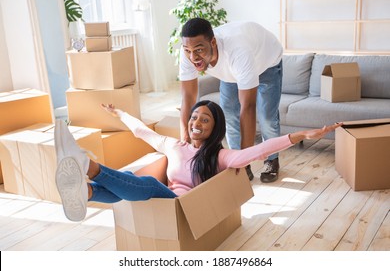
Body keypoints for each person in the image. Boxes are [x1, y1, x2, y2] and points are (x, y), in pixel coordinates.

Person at [55, 100, 341, 222]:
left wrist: (301, 134)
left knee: (149, 185)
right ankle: (88, 192)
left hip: (185, 210)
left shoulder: (219, 156)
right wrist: (119, 114)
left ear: (213, 128)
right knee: (139, 186)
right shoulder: (173, 145)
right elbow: (142, 131)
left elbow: (257, 151)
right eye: (194, 116)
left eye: (205, 120)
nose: (197, 122)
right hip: (160, 204)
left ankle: (88, 166)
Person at [179, 18, 284, 183]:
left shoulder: (237, 51)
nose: (193, 57)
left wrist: (246, 160)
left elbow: (248, 107)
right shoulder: (189, 51)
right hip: (233, 70)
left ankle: (271, 159)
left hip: (267, 63)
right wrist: (185, 146)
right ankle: (236, 159)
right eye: (188, 50)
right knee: (228, 114)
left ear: (212, 42)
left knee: (267, 118)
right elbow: (188, 98)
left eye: (199, 50)